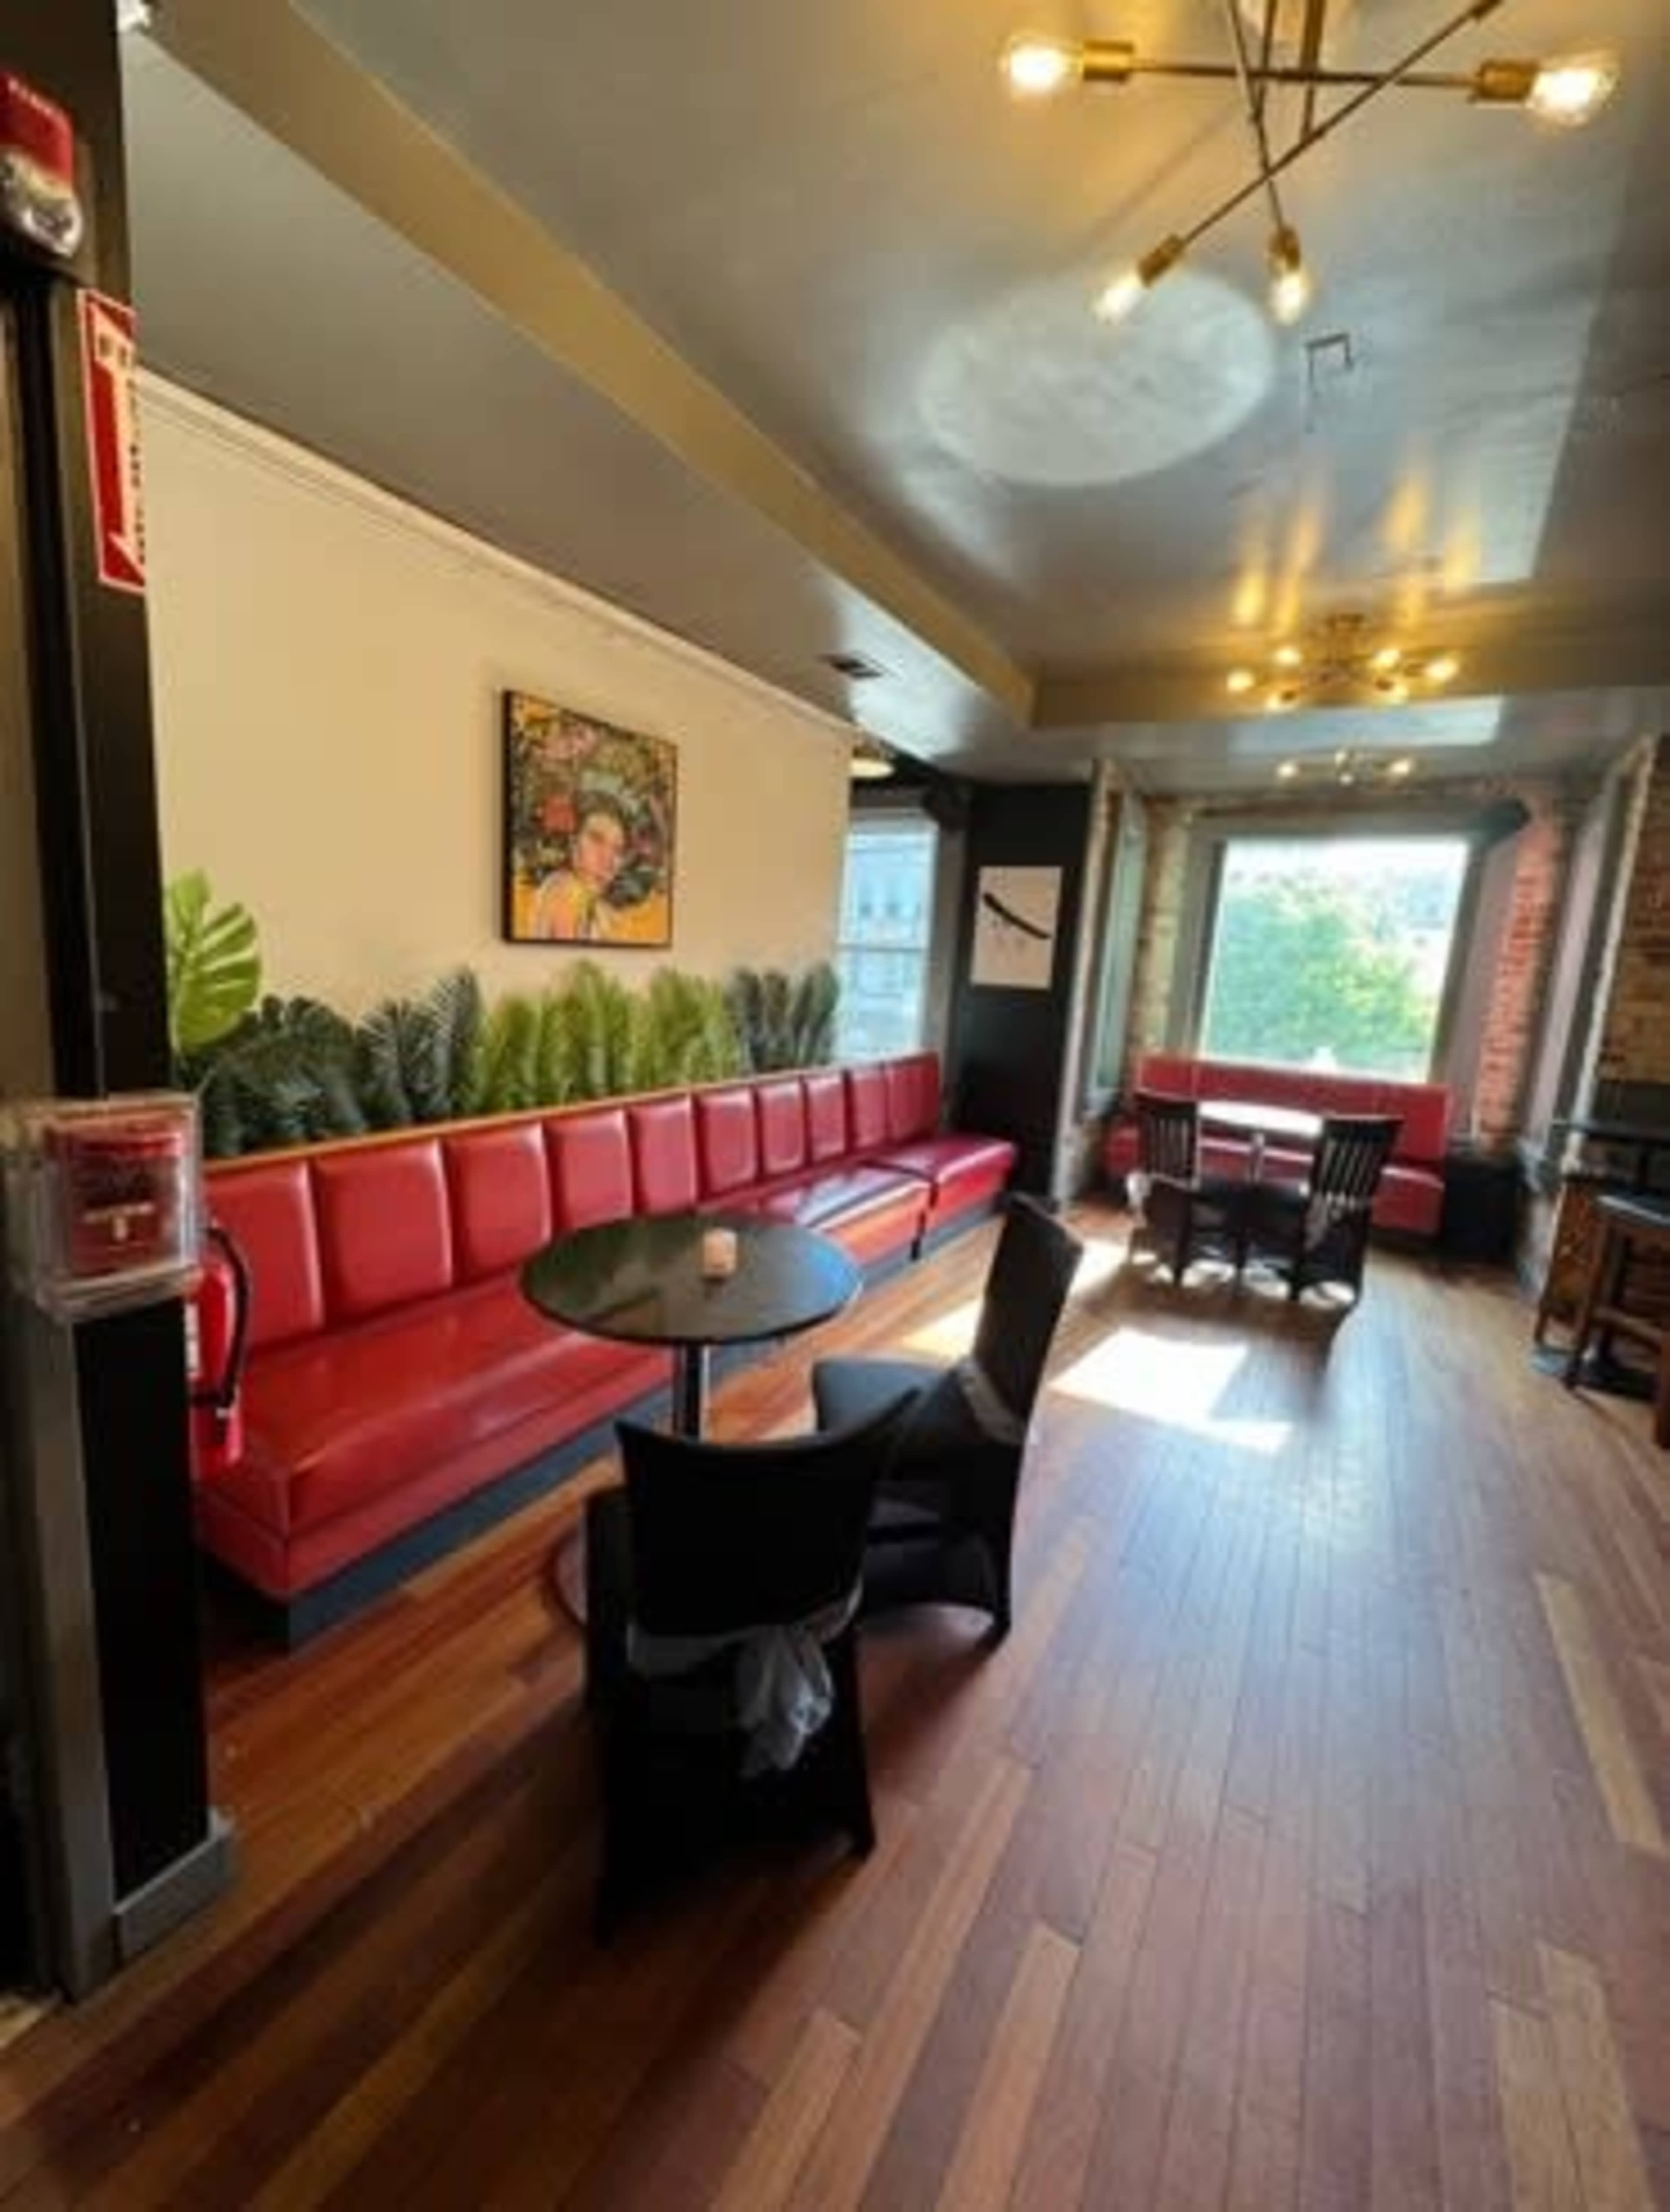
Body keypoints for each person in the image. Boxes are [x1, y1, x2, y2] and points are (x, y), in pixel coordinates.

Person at [528, 794, 630, 942]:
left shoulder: (597, 907)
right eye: (597, 840)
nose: (608, 858)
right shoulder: (566, 890)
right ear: (573, 842)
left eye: (618, 850)